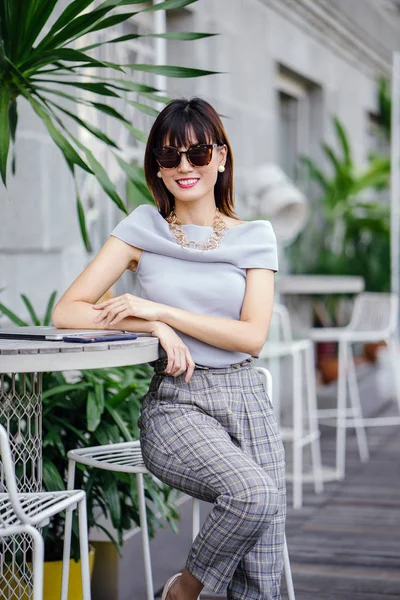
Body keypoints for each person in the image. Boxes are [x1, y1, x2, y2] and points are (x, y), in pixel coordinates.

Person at [52, 97, 286, 600]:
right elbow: (67, 310)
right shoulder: (141, 228)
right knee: (253, 495)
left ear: (221, 158)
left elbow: (252, 336)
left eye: (198, 154)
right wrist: (148, 327)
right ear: (156, 167)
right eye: (169, 156)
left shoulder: (255, 238)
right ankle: (183, 591)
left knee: (262, 575)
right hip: (178, 404)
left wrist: (166, 314)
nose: (184, 167)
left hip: (247, 400)